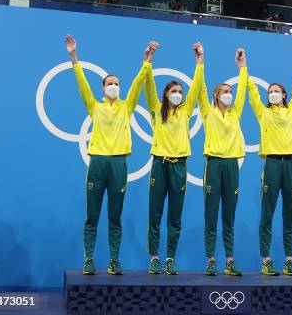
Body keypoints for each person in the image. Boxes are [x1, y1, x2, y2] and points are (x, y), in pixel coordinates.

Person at [65, 34, 153, 275]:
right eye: (110, 83)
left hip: (118, 165)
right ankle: (89, 259)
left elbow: (137, 85)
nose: (114, 86)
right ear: (102, 88)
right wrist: (74, 57)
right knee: (92, 216)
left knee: (115, 217)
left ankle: (114, 261)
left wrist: (146, 61)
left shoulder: (127, 106)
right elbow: (82, 83)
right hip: (98, 164)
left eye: (116, 84)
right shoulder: (94, 106)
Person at [247, 49, 292, 276]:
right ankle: (266, 260)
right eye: (270, 92)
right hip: (272, 165)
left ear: (284, 94)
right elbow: (250, 92)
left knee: (290, 214)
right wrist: (243, 67)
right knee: (267, 214)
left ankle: (288, 261)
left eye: (276, 91)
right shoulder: (262, 113)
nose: (272, 94)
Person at [145, 42, 204, 275]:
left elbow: (198, 85)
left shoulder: (186, 110)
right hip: (159, 164)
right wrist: (148, 59)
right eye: (173, 91)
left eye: (180, 91)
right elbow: (148, 86)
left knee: (175, 216)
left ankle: (170, 257)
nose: (178, 94)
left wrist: (200, 59)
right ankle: (154, 257)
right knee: (155, 213)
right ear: (166, 95)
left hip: (179, 165)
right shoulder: (155, 109)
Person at [197, 48, 248, 276]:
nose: (229, 94)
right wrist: (201, 61)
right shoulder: (208, 112)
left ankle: (229, 261)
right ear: (217, 96)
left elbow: (243, 91)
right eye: (225, 91)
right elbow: (201, 89)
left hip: (231, 166)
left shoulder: (235, 113)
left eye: (231, 91)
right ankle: (210, 260)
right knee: (211, 215)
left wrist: (242, 67)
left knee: (229, 216)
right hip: (214, 164)